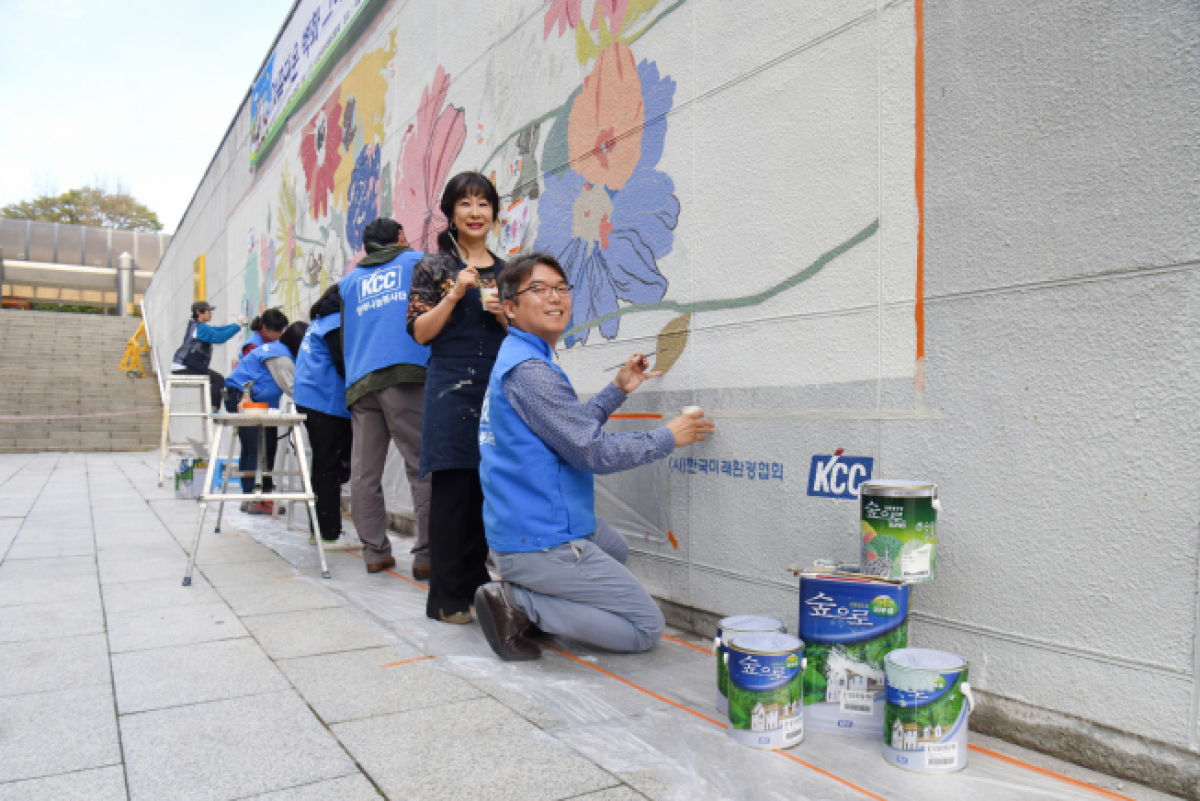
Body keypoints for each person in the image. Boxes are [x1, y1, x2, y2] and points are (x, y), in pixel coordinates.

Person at [475, 254, 715, 661]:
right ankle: (519, 603)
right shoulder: (531, 371)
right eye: (539, 289)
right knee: (644, 628)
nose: (555, 298)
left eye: (561, 287)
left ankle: (535, 593)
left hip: (526, 522)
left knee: (614, 548)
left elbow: (568, 433)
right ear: (510, 307)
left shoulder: (523, 355)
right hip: (539, 539)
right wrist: (667, 437)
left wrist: (618, 388)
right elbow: (592, 451)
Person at [407, 172, 507, 624]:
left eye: (483, 203)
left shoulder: (509, 273)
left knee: (487, 489)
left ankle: (477, 588)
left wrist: (504, 315)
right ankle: (447, 598)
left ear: (493, 213)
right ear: (451, 212)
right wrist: (454, 296)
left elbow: (528, 335)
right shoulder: (433, 267)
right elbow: (419, 333)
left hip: (497, 388)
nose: (474, 212)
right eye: (465, 203)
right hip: (449, 388)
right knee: (452, 490)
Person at [340, 218, 432, 576]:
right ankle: (427, 555)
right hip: (406, 373)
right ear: (399, 237)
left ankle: (375, 551)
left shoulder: (348, 283)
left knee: (364, 473)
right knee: (422, 467)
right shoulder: (418, 261)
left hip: (362, 382)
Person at [293, 285, 359, 551]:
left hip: (313, 399)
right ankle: (329, 533)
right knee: (329, 466)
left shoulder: (320, 320)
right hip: (325, 402)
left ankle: (319, 530)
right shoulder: (334, 323)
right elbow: (344, 362)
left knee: (324, 465)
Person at [223, 320, 302, 513]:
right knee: (255, 447)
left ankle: (259, 494)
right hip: (243, 398)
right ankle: (253, 497)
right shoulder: (280, 357)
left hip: (255, 401)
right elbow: (293, 388)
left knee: (263, 446)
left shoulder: (276, 349)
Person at [171, 300, 242, 409]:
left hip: (185, 365)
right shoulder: (200, 328)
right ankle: (213, 408)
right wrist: (238, 326)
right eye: (208, 311)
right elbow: (219, 337)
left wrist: (237, 325)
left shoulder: (197, 326)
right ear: (199, 312)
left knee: (216, 378)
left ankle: (212, 406)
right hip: (185, 366)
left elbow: (218, 330)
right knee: (218, 379)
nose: (211, 313)